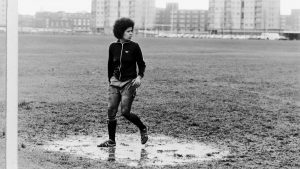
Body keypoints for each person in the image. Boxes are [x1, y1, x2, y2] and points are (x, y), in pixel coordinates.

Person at [97, 18, 148, 147]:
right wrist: (110, 80)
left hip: (129, 83)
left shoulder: (135, 47)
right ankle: (112, 141)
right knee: (111, 110)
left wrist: (139, 77)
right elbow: (110, 65)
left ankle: (142, 128)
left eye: (132, 31)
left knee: (125, 112)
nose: (131, 33)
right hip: (114, 83)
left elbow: (141, 64)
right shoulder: (113, 47)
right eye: (128, 31)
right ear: (121, 32)